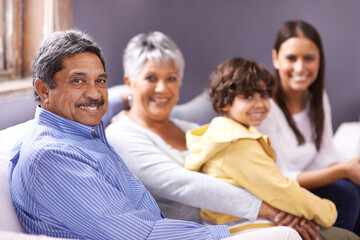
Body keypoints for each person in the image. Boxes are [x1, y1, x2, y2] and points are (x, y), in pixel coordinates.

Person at [7, 29, 298, 240]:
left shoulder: (83, 133)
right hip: (166, 234)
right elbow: (136, 235)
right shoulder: (53, 156)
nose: (95, 93)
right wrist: (223, 233)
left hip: (175, 230)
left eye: (100, 81)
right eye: (78, 81)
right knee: (286, 235)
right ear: (44, 90)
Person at [105, 31, 330, 240]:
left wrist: (286, 210)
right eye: (151, 78)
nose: (162, 88)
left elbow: (247, 174)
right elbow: (182, 184)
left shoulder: (193, 129)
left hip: (237, 223)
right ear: (129, 83)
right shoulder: (121, 134)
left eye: (171, 78)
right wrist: (270, 210)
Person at [184, 57, 359, 239]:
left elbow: (270, 189)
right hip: (248, 227)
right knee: (348, 235)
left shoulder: (226, 135)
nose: (260, 103)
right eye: (248, 96)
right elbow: (280, 189)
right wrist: (327, 211)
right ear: (223, 103)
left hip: (247, 221)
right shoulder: (235, 142)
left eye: (265, 95)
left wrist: (293, 214)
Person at [257, 20, 360, 233]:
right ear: (276, 59)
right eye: (291, 58)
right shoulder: (264, 106)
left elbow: (325, 156)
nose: (300, 68)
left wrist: (351, 170)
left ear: (319, 60)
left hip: (307, 183)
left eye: (309, 58)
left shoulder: (317, 96)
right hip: (279, 189)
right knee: (347, 193)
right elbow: (281, 177)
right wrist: (344, 170)